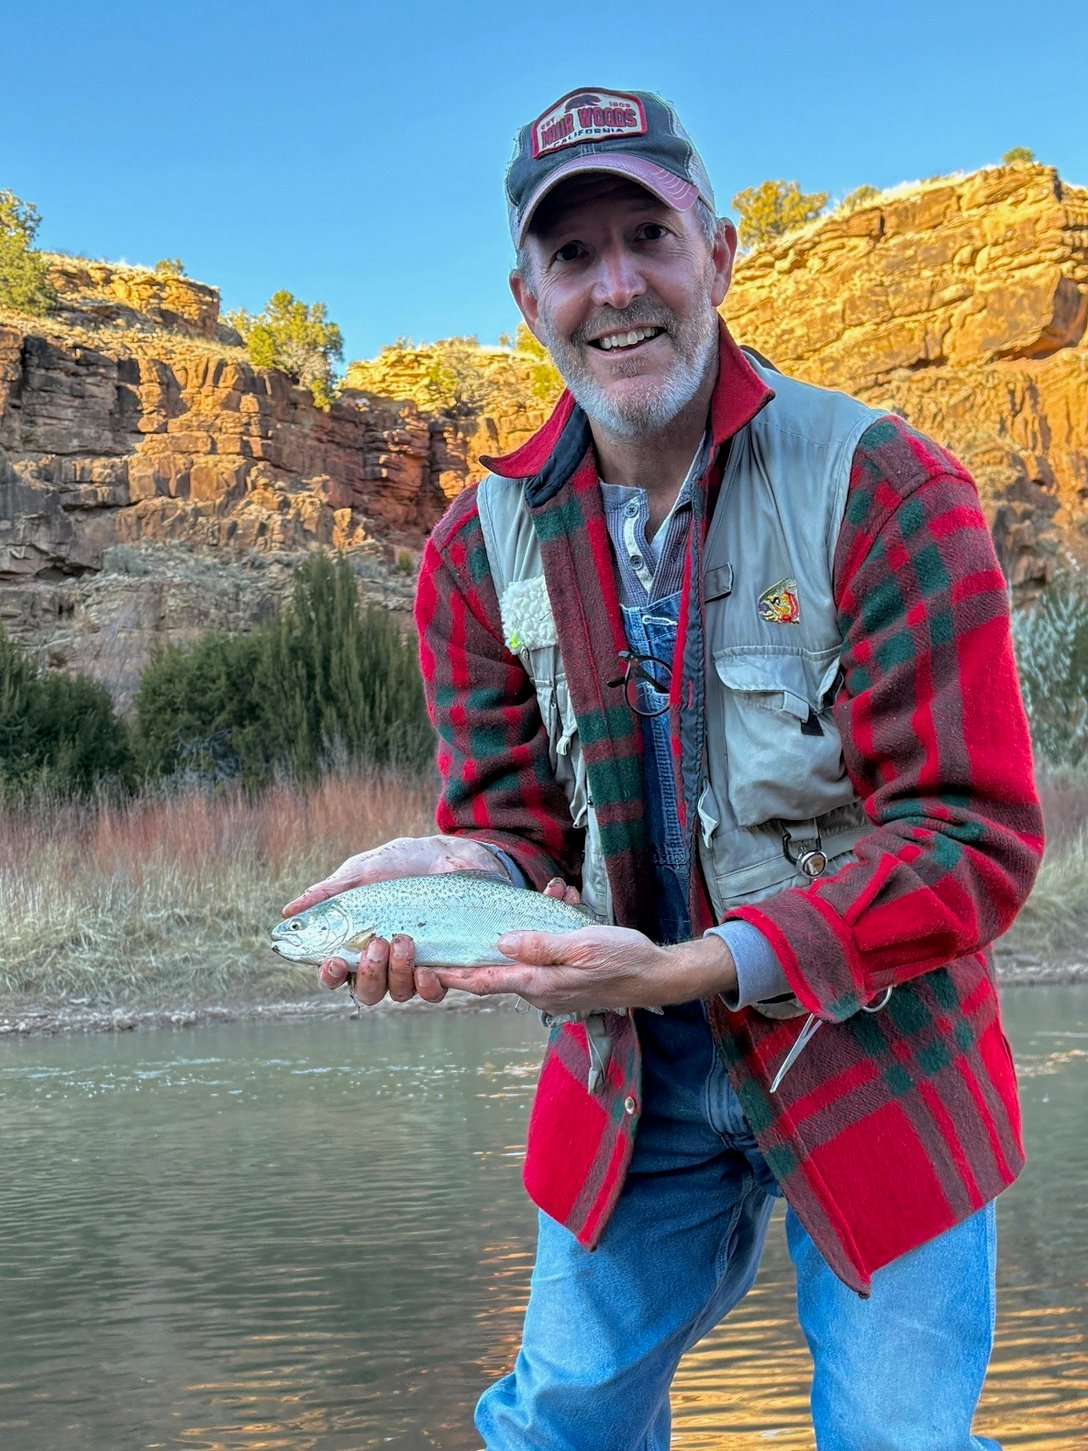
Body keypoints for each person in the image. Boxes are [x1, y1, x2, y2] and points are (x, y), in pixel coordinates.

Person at [285, 88, 1044, 1449]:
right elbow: (515, 830)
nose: (617, 285)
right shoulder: (473, 549)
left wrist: (696, 966)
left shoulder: (886, 486)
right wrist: (457, 875)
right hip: (628, 1073)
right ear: (528, 297)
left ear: (722, 253)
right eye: (574, 256)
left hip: (880, 1054)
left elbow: (968, 845)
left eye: (649, 234)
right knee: (562, 1421)